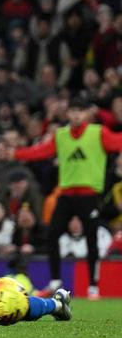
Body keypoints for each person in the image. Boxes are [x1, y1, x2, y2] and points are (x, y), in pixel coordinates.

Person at [10, 96, 122, 300]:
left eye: (80, 111)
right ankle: (55, 281)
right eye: (73, 111)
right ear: (68, 113)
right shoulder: (61, 135)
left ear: (86, 113)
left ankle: (93, 286)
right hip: (66, 194)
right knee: (52, 234)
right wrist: (17, 154)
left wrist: (17, 153)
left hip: (89, 195)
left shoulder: (98, 133)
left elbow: (117, 142)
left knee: (91, 239)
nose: (76, 115)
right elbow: (42, 151)